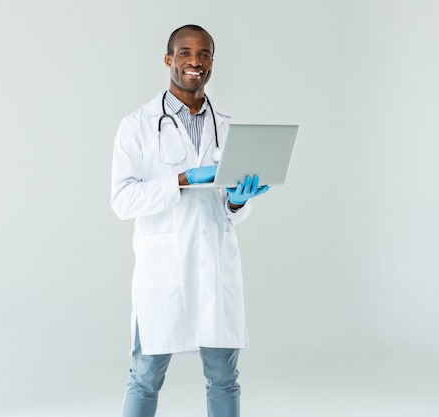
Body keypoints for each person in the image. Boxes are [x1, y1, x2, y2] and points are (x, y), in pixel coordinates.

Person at [110, 24, 268, 417]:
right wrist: (181, 180)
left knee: (224, 379)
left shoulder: (229, 125)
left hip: (215, 268)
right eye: (185, 53)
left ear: (212, 62)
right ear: (169, 60)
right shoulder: (138, 125)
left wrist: (237, 202)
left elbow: (231, 213)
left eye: (204, 54)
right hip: (163, 269)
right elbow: (122, 200)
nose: (195, 62)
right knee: (144, 377)